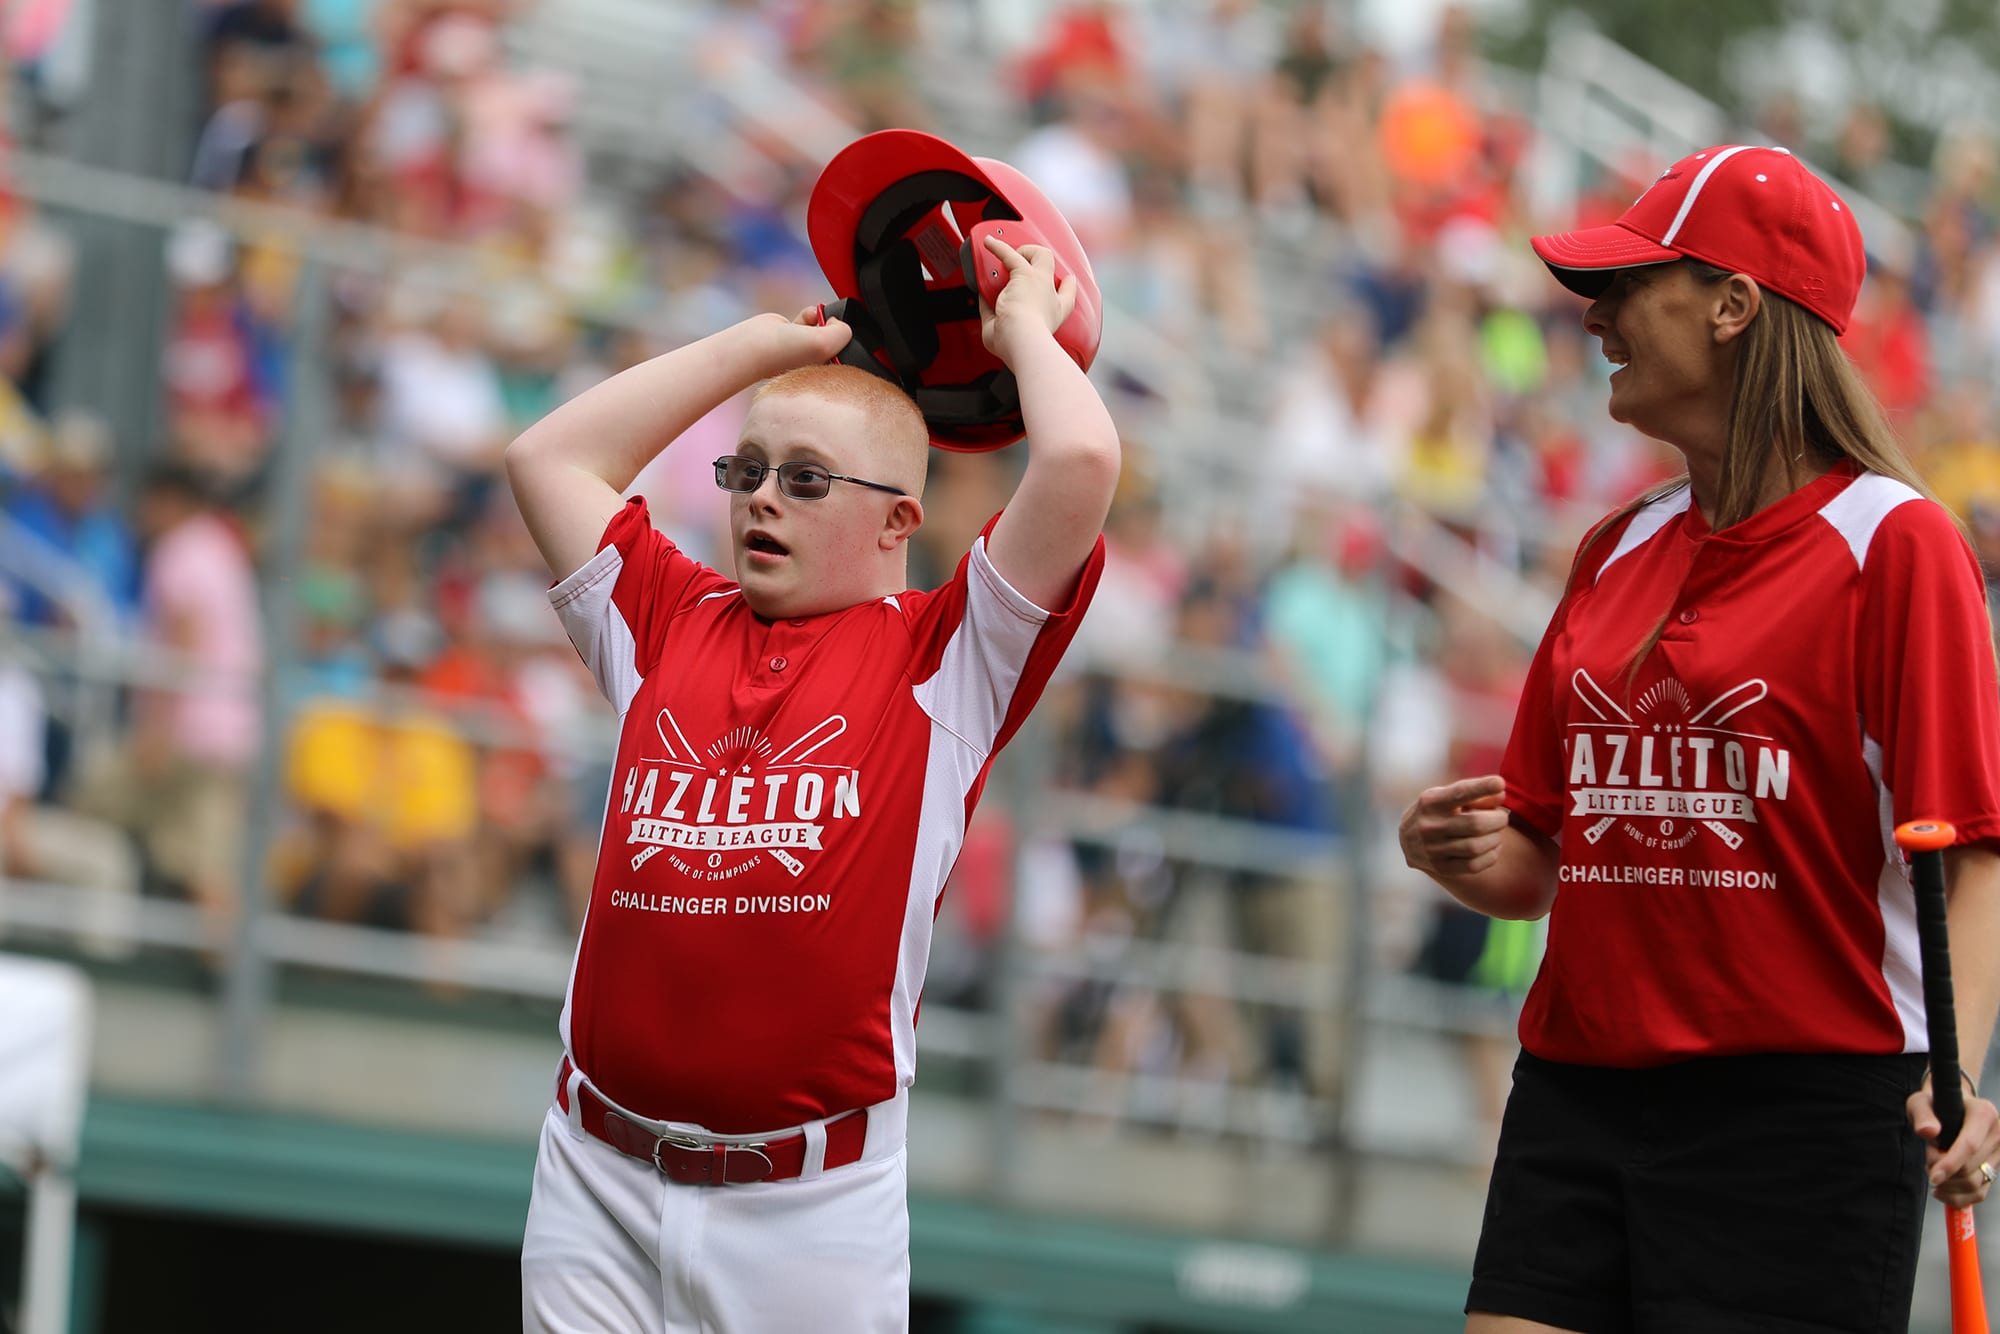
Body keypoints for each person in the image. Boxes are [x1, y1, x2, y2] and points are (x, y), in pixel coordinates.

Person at [1399, 144, 2000, 1332]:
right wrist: (1455, 851)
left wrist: (1959, 1068)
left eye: (1627, 283)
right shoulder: (1613, 545)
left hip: (1799, 1112)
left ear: (1731, 305)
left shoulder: (1896, 542)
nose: (1592, 315)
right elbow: (1537, 859)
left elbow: (1967, 847)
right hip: (1575, 1087)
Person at [506, 233, 1117, 1332]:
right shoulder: (666, 618)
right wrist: (759, 349)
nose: (760, 499)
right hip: (593, 1171)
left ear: (897, 520)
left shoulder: (945, 656)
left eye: (805, 478)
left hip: (809, 1209)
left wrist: (1023, 329)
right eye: (744, 470)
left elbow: (1077, 464)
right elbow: (546, 458)